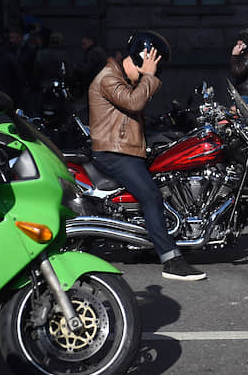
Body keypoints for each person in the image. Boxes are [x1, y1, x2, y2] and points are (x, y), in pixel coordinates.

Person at [88, 31, 206, 281]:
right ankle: (171, 260)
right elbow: (133, 103)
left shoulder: (121, 78)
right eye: (152, 68)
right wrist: (149, 76)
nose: (154, 75)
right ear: (141, 60)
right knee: (151, 197)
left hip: (124, 148)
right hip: (114, 152)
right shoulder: (108, 78)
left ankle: (150, 241)